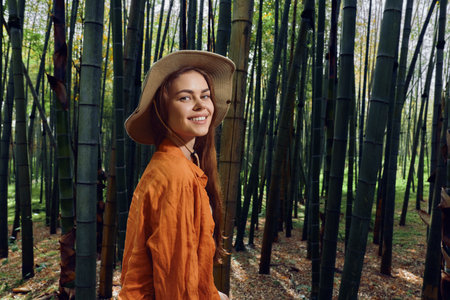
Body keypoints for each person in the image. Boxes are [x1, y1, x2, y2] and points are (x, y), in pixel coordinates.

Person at [119, 50, 235, 300]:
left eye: (205, 96)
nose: (200, 105)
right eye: (185, 98)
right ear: (162, 108)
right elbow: (176, 282)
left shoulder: (175, 164)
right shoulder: (176, 176)